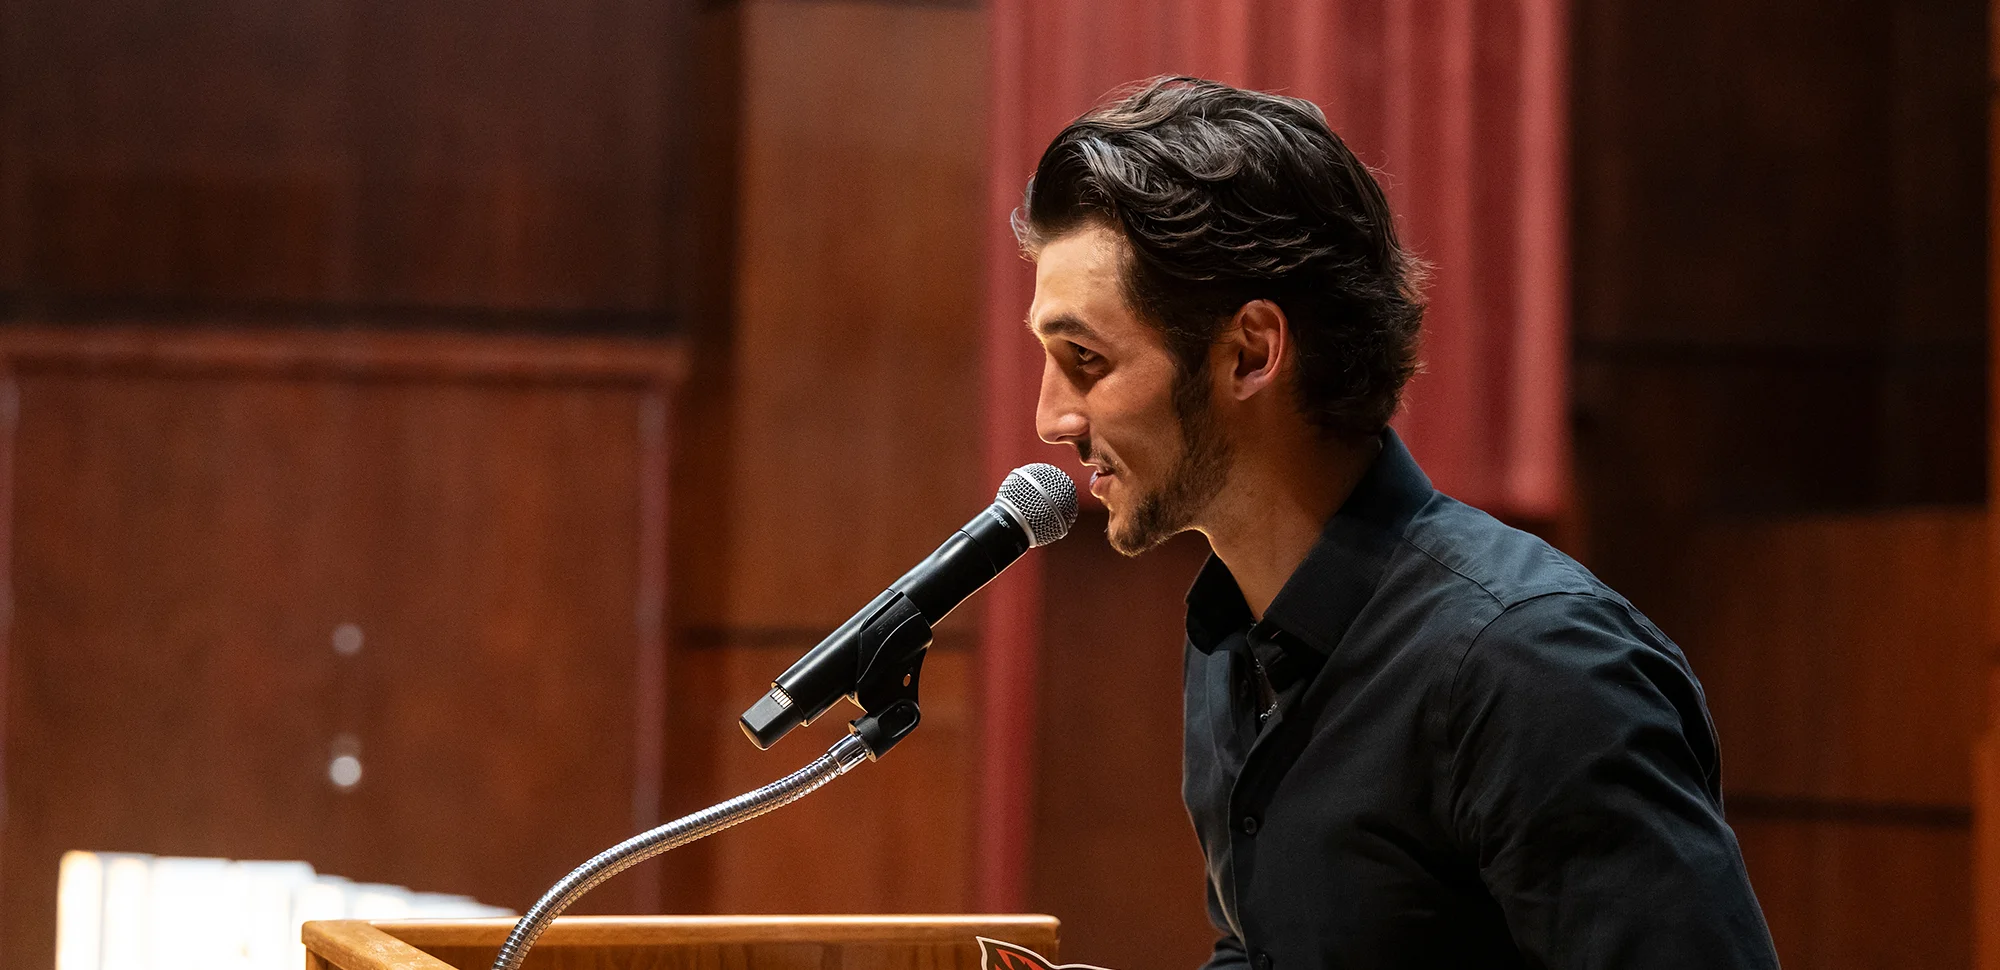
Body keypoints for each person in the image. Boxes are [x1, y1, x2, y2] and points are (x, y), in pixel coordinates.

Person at [1018, 77, 1779, 970]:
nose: (1051, 419)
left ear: (1253, 353)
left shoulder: (1534, 668)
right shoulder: (1232, 637)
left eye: (1086, 360)